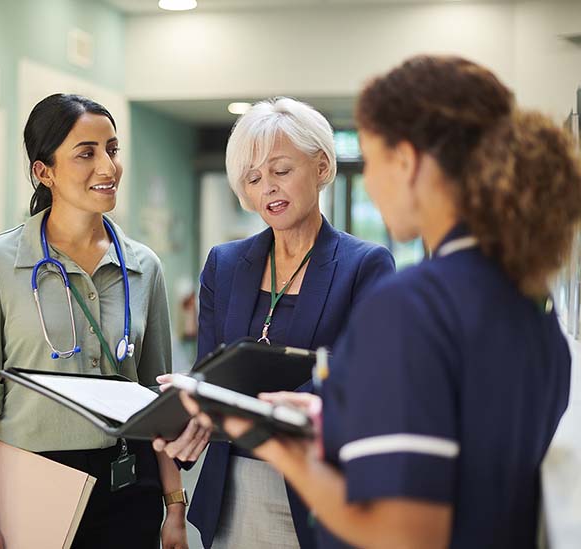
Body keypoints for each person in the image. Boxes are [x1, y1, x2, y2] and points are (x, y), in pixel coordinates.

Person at [180, 55, 581, 549]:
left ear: (407, 161)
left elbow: (403, 533)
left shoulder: (415, 305)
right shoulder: (531, 303)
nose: (368, 183)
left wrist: (269, 438)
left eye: (369, 160)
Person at [0, 93, 188, 549]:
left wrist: (175, 505)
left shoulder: (143, 266)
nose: (107, 168)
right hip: (34, 482)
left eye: (112, 150)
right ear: (44, 171)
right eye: (86, 153)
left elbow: (158, 398)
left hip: (129, 483)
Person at [153, 97, 395, 548]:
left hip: (317, 484)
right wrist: (191, 408)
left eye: (281, 170)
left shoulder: (365, 265)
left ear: (321, 167)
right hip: (230, 491)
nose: (269, 188)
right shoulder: (224, 265)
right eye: (254, 177)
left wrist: (246, 410)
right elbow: (210, 373)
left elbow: (363, 377)